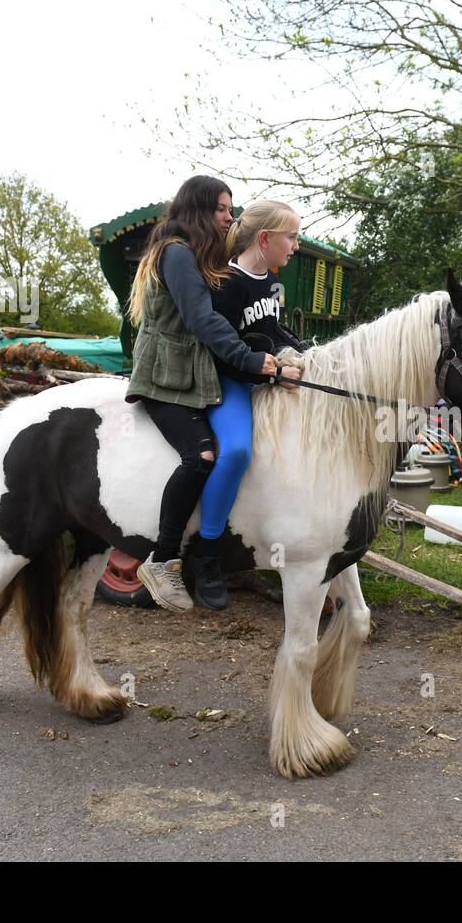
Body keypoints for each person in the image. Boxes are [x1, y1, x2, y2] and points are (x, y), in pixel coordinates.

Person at [125, 178, 301, 611]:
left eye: (231, 209)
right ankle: (173, 556)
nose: (228, 218)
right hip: (171, 378)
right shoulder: (180, 256)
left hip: (206, 373)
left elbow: (269, 329)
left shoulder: (206, 261)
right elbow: (205, 321)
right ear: (199, 210)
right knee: (209, 455)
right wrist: (249, 360)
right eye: (222, 209)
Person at [191, 200, 309, 610]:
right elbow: (222, 351)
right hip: (229, 382)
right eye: (291, 237)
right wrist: (272, 374)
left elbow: (269, 331)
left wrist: (299, 353)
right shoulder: (226, 283)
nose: (296, 245)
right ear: (265, 239)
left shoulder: (268, 282)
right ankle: (206, 554)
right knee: (238, 450)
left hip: (262, 378)